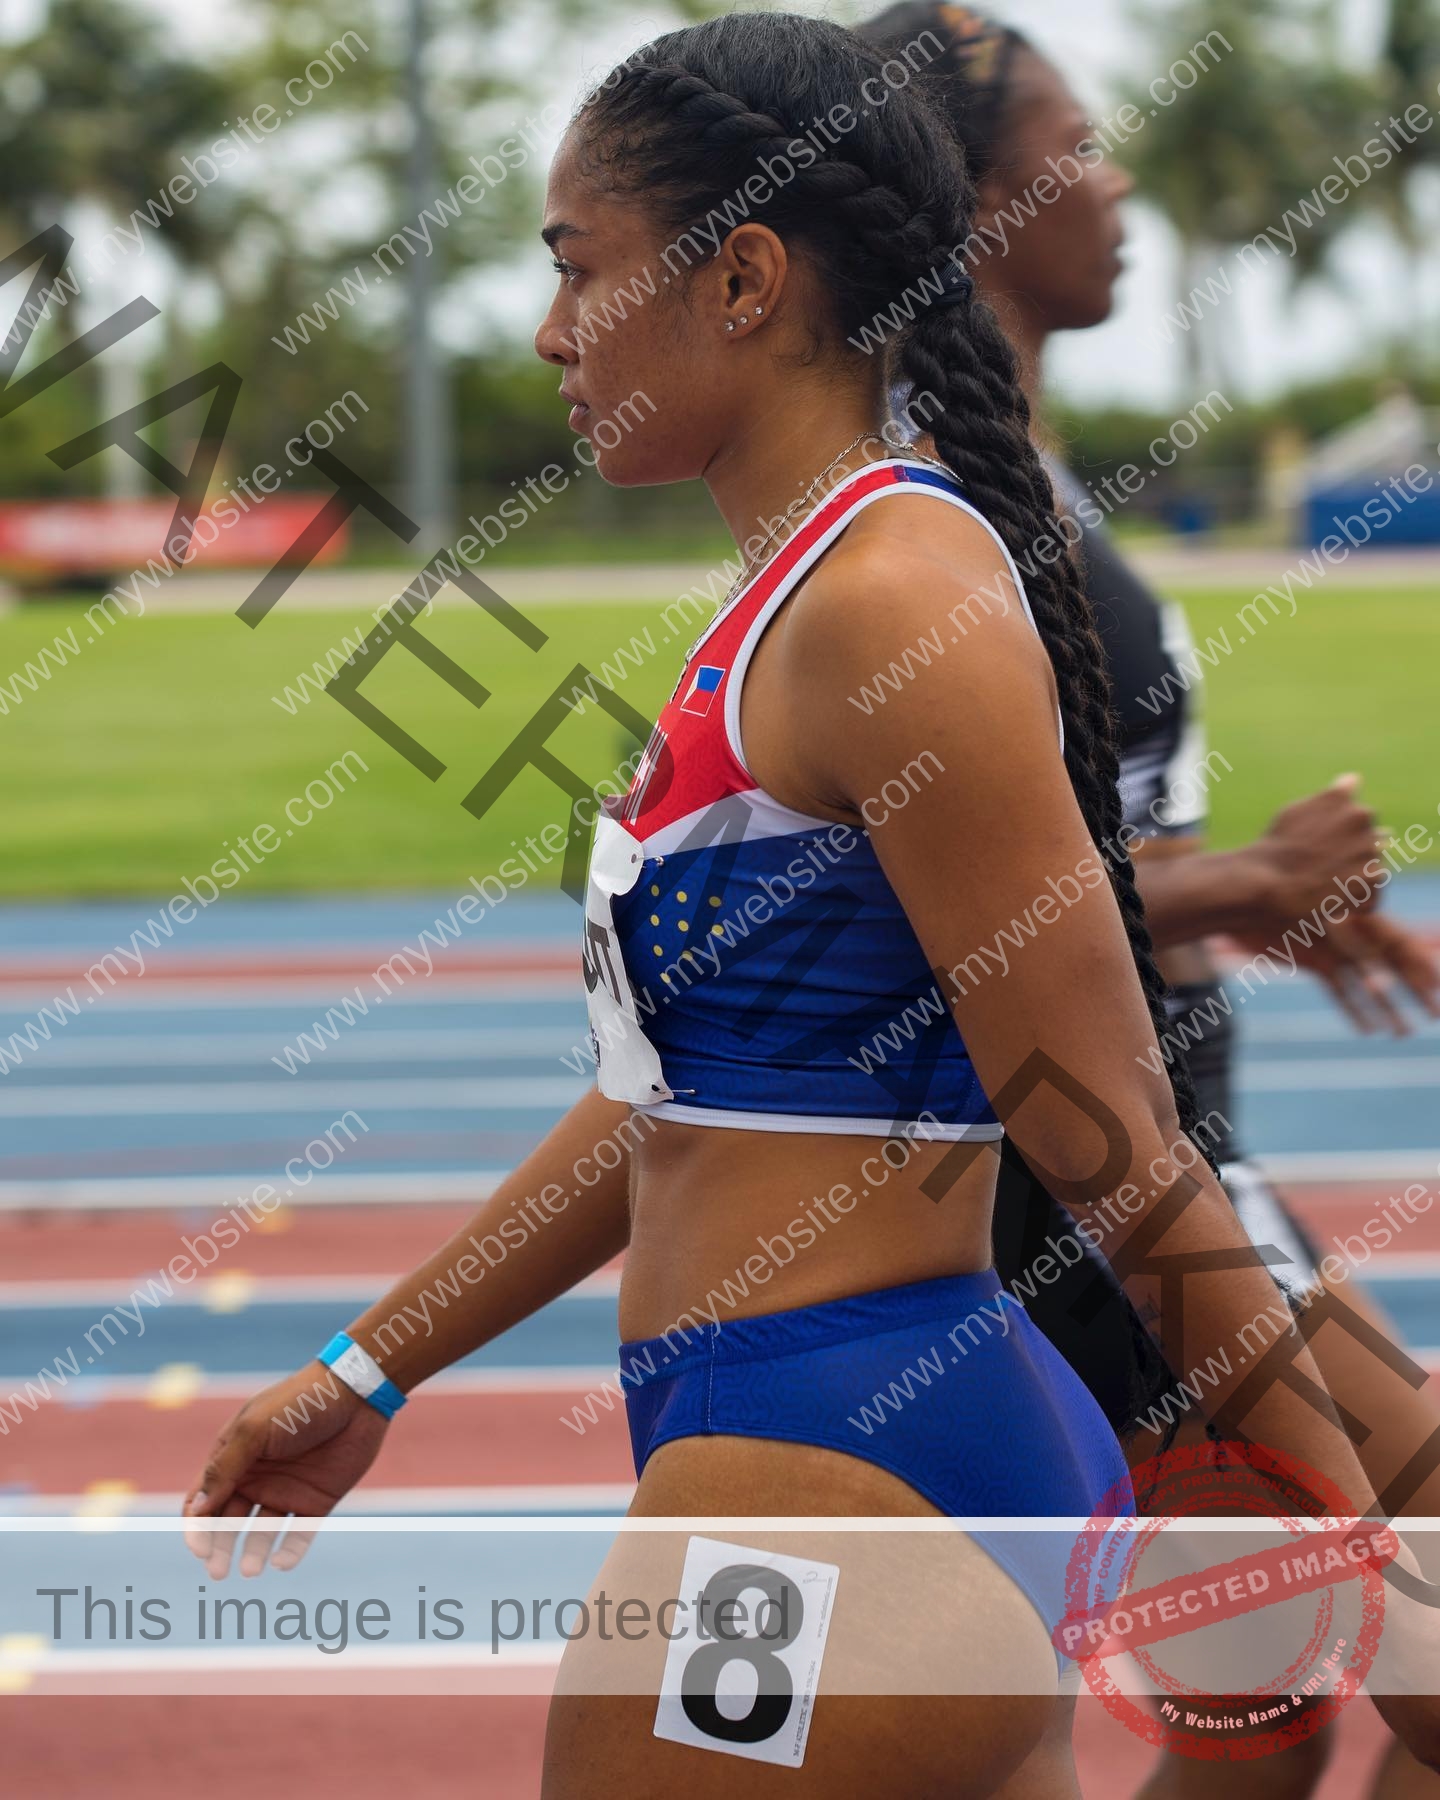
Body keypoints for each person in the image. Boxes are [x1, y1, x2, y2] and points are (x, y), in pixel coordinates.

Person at [182, 15, 1440, 1795]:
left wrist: (1345, 1534)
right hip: (826, 1447)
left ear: (745, 279)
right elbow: (678, 1106)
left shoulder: (886, 601)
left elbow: (1113, 1135)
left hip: (826, 1471)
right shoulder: (801, 598)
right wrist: (371, 1368)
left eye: (579, 269)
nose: (549, 331)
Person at [857, 5, 1440, 1795]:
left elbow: (1068, 846)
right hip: (1104, 1189)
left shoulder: (1006, 469)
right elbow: (919, 895)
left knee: (1255, 1719)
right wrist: (1240, 882)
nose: (1118, 191)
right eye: (1082, 152)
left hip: (1148, 1166)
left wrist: (1228, 895)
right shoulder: (934, 518)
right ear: (976, 203)